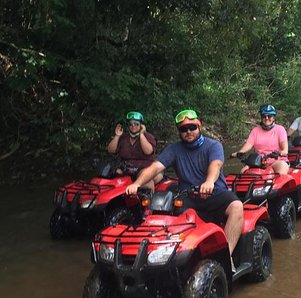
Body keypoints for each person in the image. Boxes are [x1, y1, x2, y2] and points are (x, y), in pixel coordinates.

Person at [125, 109, 243, 258]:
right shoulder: (174, 149)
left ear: (199, 126)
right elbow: (156, 167)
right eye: (183, 129)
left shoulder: (213, 146)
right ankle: (162, 256)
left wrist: (209, 182)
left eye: (192, 127)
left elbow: (216, 165)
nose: (188, 131)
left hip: (214, 194)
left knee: (237, 207)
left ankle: (226, 256)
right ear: (179, 132)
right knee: (161, 213)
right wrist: (137, 183)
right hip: (186, 197)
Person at [107, 111, 162, 189]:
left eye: (136, 124)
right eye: (130, 124)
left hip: (144, 169)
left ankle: (147, 199)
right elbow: (111, 150)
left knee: (145, 178)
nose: (133, 126)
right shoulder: (123, 138)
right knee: (113, 174)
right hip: (126, 169)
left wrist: (141, 134)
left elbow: (148, 151)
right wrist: (117, 136)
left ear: (141, 125)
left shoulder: (149, 137)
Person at [230, 104, 289, 175]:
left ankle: (280, 185)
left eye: (269, 116)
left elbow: (285, 149)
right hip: (258, 161)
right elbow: (248, 144)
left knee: (281, 170)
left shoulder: (280, 129)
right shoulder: (255, 130)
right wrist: (239, 153)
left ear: (273, 118)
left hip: (277, 160)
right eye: (264, 116)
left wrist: (282, 152)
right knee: (243, 171)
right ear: (261, 117)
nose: (267, 118)